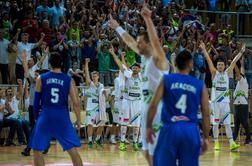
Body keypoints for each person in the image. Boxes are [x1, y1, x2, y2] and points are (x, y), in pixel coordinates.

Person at [109, 4, 169, 164]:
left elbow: (155, 40)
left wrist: (148, 19)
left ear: (149, 45)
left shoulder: (159, 59)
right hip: (146, 109)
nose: (137, 45)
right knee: (147, 151)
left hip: (160, 110)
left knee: (160, 150)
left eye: (140, 43)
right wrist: (118, 28)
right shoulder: (144, 58)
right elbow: (129, 42)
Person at [147, 50, 210, 166]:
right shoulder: (200, 84)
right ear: (191, 64)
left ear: (175, 64)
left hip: (169, 129)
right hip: (190, 130)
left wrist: (148, 127)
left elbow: (153, 105)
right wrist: (206, 137)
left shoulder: (167, 80)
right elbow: (206, 113)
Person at [29, 52, 83, 166]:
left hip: (46, 115)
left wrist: (36, 118)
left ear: (49, 64)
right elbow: (76, 103)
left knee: (37, 151)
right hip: (62, 116)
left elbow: (35, 102)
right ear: (62, 64)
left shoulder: (41, 78)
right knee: (73, 151)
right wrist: (78, 120)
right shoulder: (68, 80)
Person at [200, 41, 245, 151]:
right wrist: (204, 50)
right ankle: (216, 143)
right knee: (215, 125)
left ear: (225, 66)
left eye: (222, 65)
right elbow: (209, 61)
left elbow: (234, 62)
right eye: (218, 65)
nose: (220, 66)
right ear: (217, 66)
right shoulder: (214, 73)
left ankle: (231, 143)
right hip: (215, 104)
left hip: (225, 103)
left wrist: (241, 52)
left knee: (227, 124)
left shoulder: (228, 73)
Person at [84, 58, 105, 149]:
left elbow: (105, 97)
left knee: (102, 124)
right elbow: (87, 75)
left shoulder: (102, 85)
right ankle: (89, 141)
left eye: (95, 75)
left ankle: (97, 139)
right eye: (93, 75)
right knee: (90, 125)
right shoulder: (90, 83)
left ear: (98, 76)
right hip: (90, 108)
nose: (94, 77)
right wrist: (86, 64)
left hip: (99, 108)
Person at [233, 60, 251, 145]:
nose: (236, 76)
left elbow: (238, 72)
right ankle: (232, 141)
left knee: (245, 124)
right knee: (236, 125)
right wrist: (241, 62)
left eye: (237, 76)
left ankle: (248, 140)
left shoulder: (243, 81)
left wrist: (234, 64)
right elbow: (241, 71)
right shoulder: (238, 84)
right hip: (237, 107)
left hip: (242, 106)